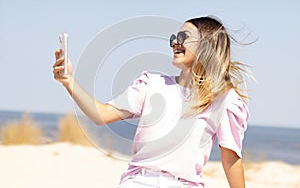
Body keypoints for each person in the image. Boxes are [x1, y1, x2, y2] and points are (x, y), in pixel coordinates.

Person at [53, 16, 250, 188]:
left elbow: (231, 159)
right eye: (174, 38)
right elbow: (101, 114)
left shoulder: (225, 100)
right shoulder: (152, 84)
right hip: (137, 182)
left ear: (206, 45)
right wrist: (68, 81)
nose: (175, 43)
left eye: (183, 37)